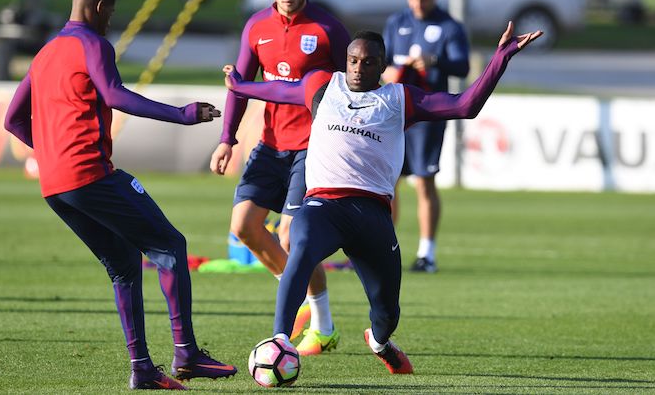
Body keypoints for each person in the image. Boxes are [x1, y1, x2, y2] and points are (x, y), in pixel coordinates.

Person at [222, 23, 542, 375]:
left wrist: (500, 58)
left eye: (368, 62)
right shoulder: (322, 86)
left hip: (372, 215)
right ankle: (279, 339)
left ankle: (379, 341)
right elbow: (279, 89)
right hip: (323, 206)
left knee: (387, 312)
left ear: (381, 65)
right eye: (353, 61)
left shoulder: (399, 98)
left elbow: (465, 106)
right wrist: (240, 86)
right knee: (300, 247)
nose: (359, 68)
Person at [4, 0, 237, 390]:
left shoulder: (45, 54)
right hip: (90, 173)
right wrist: (181, 115)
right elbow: (116, 96)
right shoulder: (94, 45)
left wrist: (50, 153)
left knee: (125, 266)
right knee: (170, 245)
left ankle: (142, 368)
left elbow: (13, 119)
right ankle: (186, 353)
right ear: (97, 7)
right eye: (110, 12)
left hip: (55, 186)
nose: (110, 21)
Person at [208, 0, 350, 355]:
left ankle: (322, 327)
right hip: (269, 145)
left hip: (312, 146)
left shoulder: (327, 30)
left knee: (291, 235)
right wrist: (226, 138)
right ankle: (299, 294)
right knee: (244, 227)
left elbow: (351, 86)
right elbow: (238, 86)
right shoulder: (256, 27)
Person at [381, 0, 471, 273]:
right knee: (386, 184)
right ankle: (380, 247)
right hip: (396, 112)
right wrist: (390, 72)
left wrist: (435, 61)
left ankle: (426, 253)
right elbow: (382, 64)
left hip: (428, 115)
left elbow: (462, 66)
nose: (417, 3)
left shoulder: (449, 26)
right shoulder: (397, 22)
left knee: (424, 182)